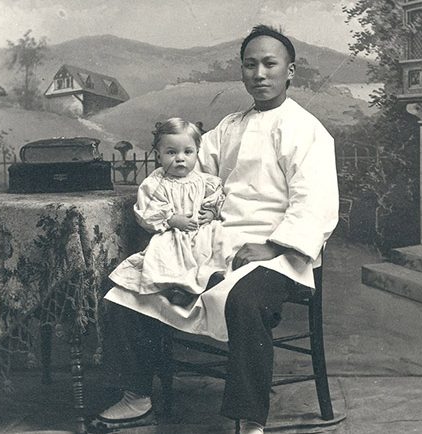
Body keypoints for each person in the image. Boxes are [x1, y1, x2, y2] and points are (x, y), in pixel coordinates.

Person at [94, 24, 339, 434]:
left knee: (243, 301)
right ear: (241, 71)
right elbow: (189, 174)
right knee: (127, 286)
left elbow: (315, 204)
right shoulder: (229, 127)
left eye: (269, 64)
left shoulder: (307, 131)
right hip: (215, 238)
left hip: (279, 252)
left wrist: (273, 247)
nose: (259, 74)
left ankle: (248, 418)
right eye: (249, 65)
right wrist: (173, 213)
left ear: (290, 71)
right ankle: (137, 395)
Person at [108, 117, 231, 307]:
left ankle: (206, 282)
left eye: (188, 152)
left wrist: (211, 213)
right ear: (159, 156)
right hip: (173, 233)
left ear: (197, 153)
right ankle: (176, 288)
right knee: (166, 254)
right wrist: (172, 219)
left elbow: (215, 198)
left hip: (200, 230)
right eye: (171, 152)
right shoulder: (156, 183)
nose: (180, 158)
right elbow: (148, 210)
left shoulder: (204, 180)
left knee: (216, 243)